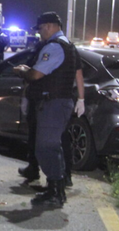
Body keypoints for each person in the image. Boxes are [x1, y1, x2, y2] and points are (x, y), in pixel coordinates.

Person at [13, 12, 77, 207]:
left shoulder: (55, 47)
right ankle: (55, 188)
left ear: (49, 26)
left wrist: (23, 70)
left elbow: (35, 75)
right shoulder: (67, 45)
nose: (39, 33)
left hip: (54, 103)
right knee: (49, 147)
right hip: (57, 102)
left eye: (40, 29)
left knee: (46, 147)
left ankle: (56, 191)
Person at [18, 50, 85, 188]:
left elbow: (34, 75)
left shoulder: (51, 47)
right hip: (53, 100)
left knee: (47, 142)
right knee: (56, 140)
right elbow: (78, 74)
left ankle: (56, 181)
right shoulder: (69, 49)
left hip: (47, 101)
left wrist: (22, 71)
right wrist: (80, 98)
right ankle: (57, 177)